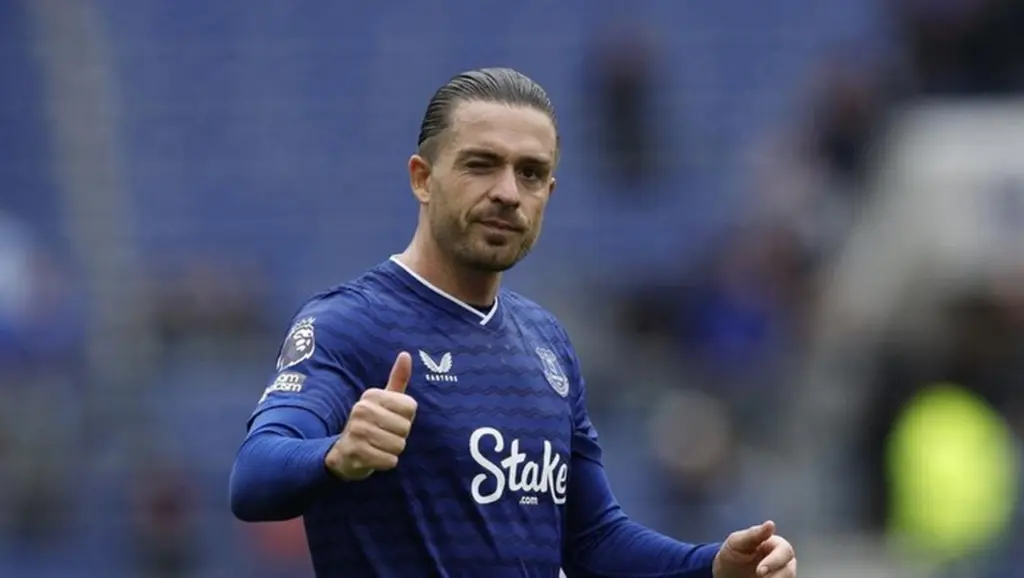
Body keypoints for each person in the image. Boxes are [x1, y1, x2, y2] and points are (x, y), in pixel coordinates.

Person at [229, 67, 797, 578]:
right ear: (422, 178)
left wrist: (712, 567)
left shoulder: (546, 342)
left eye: (531, 173)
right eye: (481, 165)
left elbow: (593, 538)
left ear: (548, 193)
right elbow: (253, 475)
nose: (507, 192)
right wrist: (334, 454)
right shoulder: (351, 324)